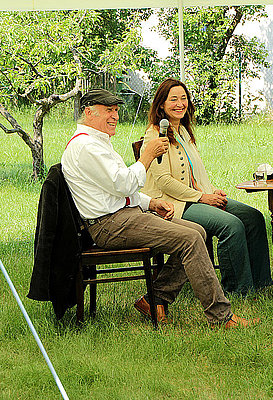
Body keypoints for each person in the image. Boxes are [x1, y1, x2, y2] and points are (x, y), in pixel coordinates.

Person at [61, 88, 258, 328]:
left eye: (116, 110)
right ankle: (221, 317)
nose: (114, 116)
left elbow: (115, 190)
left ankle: (154, 300)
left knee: (198, 232)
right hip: (109, 224)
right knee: (190, 240)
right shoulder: (86, 146)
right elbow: (123, 184)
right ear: (88, 112)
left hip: (123, 215)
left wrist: (150, 203)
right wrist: (147, 156)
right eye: (107, 111)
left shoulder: (97, 142)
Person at [141, 78, 272, 295]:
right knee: (230, 225)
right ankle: (237, 290)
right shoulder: (155, 135)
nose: (180, 104)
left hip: (196, 197)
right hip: (173, 203)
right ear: (161, 104)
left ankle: (260, 284)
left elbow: (196, 171)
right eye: (173, 99)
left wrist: (211, 191)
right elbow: (165, 181)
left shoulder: (182, 130)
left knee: (253, 217)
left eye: (183, 98)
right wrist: (202, 198)